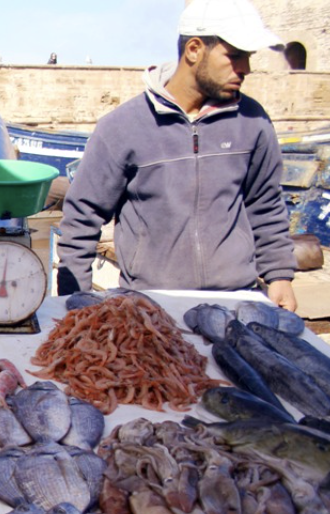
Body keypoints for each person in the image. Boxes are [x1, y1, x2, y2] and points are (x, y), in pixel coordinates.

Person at [55, 0, 298, 311]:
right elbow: (81, 220)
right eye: (235, 56)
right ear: (194, 49)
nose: (246, 69)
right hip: (149, 308)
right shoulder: (122, 127)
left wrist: (279, 276)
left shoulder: (253, 121)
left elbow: (265, 203)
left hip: (238, 302)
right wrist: (73, 304)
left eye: (247, 58)